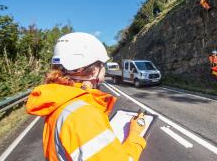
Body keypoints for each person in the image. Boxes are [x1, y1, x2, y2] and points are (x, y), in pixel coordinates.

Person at [26, 32, 146, 161]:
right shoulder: (83, 115)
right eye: (103, 64)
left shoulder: (62, 102)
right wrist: (135, 135)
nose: (104, 68)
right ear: (95, 70)